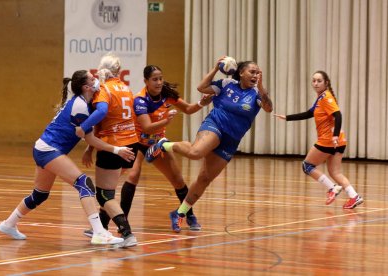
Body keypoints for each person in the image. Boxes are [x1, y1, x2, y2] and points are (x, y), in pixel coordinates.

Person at [0, 70, 135, 245]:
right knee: (84, 183)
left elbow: (90, 136)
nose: (97, 80)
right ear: (87, 87)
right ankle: (99, 232)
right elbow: (92, 134)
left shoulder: (83, 103)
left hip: (42, 148)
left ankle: (9, 224)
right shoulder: (81, 107)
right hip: (48, 149)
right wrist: (117, 150)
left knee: (39, 195)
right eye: (93, 79)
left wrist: (113, 150)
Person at [145, 57, 273, 232]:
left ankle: (179, 213)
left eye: (258, 72)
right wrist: (215, 69)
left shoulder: (257, 95)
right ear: (241, 73)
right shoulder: (227, 83)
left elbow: (268, 108)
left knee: (205, 178)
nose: (255, 75)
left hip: (231, 140)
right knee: (196, 152)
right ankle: (164, 144)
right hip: (215, 125)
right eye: (252, 71)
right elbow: (201, 88)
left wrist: (261, 86)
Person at [118, 65, 213, 231]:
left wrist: (201, 103)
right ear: (146, 81)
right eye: (154, 79)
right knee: (133, 174)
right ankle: (122, 222)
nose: (159, 82)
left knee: (177, 179)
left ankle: (188, 215)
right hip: (137, 142)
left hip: (157, 143)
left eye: (160, 78)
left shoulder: (167, 95)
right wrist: (166, 122)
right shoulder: (140, 100)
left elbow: (189, 109)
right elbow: (147, 127)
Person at [274, 70, 363, 209]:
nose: (315, 83)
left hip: (329, 139)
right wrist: (287, 117)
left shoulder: (326, 97)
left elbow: (338, 115)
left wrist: (334, 136)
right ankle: (354, 196)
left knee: (307, 166)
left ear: (326, 83)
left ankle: (332, 188)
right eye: (314, 80)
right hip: (340, 140)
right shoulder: (321, 98)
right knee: (335, 172)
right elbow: (310, 113)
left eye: (319, 81)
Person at [78, 53, 139, 247]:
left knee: (104, 195)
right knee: (109, 189)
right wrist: (90, 148)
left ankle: (127, 234)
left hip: (114, 147)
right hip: (132, 144)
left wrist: (83, 127)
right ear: (118, 71)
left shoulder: (104, 89)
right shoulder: (126, 89)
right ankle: (100, 228)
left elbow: (102, 113)